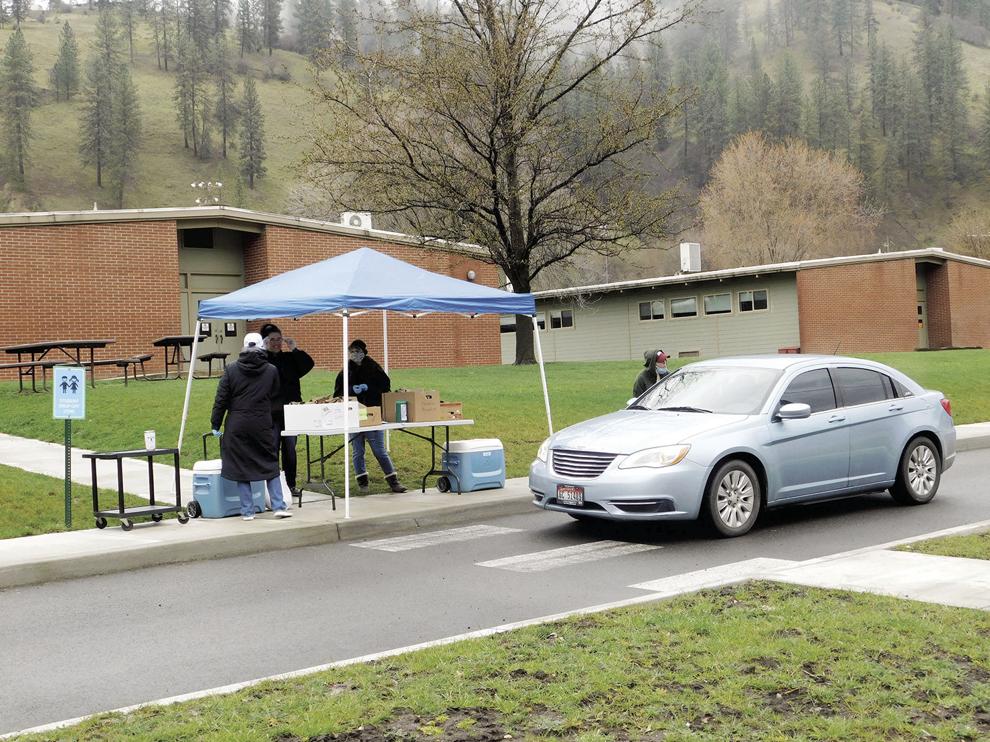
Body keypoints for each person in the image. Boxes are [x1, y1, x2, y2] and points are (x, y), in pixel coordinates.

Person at [210, 332, 292, 520]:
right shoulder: (271, 370)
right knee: (269, 462)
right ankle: (278, 505)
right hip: (262, 422)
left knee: (241, 465)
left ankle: (247, 511)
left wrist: (215, 423)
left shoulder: (231, 369)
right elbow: (275, 393)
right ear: (262, 346)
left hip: (237, 424)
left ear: (244, 346)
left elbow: (221, 399)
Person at [333, 339, 407, 493]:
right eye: (352, 351)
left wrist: (369, 388)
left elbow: (385, 386)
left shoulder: (374, 368)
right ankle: (362, 482)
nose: (355, 354)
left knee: (379, 450)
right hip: (353, 413)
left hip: (373, 412)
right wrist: (352, 389)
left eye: (358, 351)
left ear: (364, 352)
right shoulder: (345, 371)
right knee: (358, 451)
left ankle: (393, 481)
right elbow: (338, 394)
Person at [260, 322, 315, 502]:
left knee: (290, 450)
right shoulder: (261, 361)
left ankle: (290, 485)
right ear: (265, 342)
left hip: (291, 412)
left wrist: (295, 348)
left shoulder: (289, 359)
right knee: (273, 448)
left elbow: (308, 365)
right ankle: (274, 487)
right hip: (271, 412)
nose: (276, 343)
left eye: (278, 339)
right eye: (272, 340)